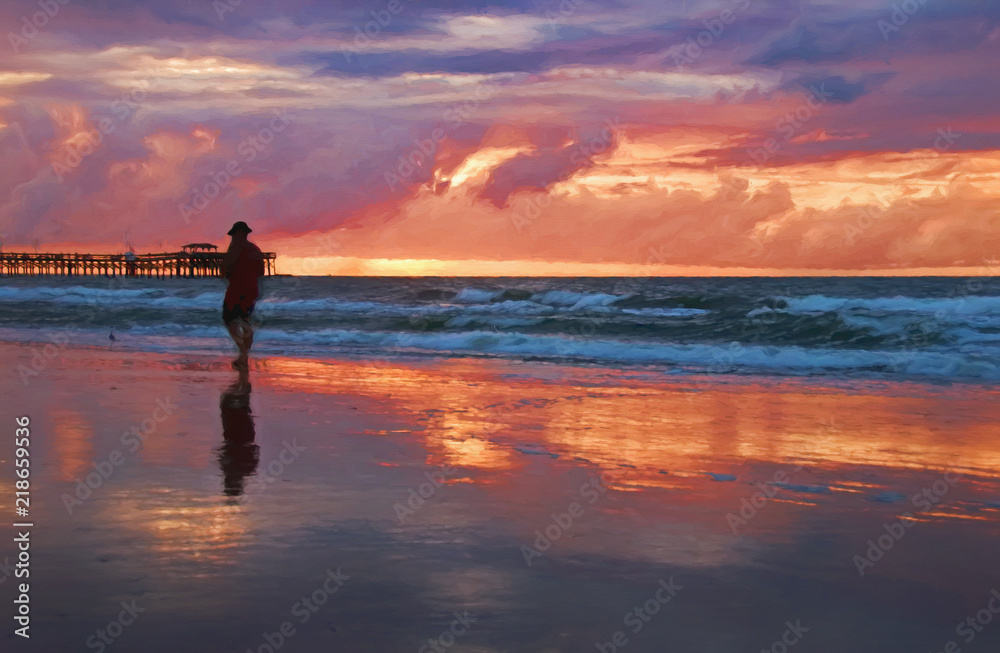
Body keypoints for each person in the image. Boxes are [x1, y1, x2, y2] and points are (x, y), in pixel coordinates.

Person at [222, 221, 265, 370]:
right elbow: (261, 272)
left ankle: (242, 353)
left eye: (233, 234)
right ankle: (243, 357)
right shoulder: (255, 249)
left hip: (236, 290)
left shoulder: (235, 247)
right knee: (245, 321)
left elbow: (225, 269)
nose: (232, 237)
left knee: (229, 321)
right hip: (252, 290)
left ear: (240, 233)